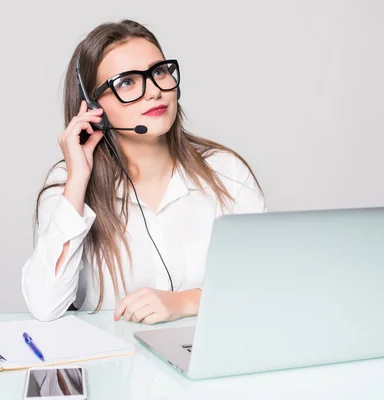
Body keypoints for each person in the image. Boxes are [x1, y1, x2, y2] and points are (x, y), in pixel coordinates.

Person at [21, 19, 266, 324]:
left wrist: (185, 302)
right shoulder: (68, 184)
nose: (153, 92)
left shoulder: (225, 171)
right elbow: (45, 305)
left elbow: (266, 284)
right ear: (93, 106)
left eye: (159, 72)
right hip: (113, 365)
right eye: (127, 82)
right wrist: (78, 183)